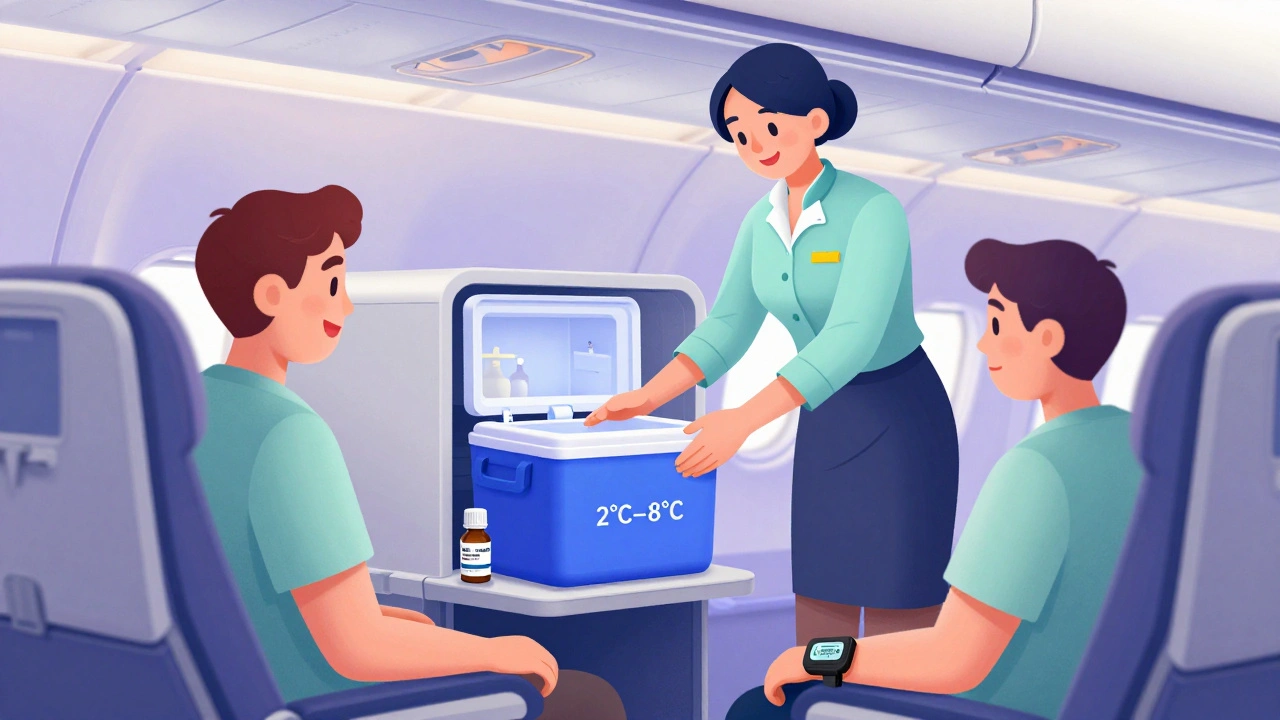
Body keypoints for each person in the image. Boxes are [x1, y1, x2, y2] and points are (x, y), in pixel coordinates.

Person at [192, 185, 624, 719]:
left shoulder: (199, 405)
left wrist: (378, 618)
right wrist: (492, 651)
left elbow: (253, 587)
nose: (345, 305)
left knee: (423, 629)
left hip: (236, 687)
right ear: (270, 295)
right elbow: (357, 650)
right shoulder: (289, 433)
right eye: (331, 281)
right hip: (317, 699)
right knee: (587, 698)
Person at [587, 42, 959, 642]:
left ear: (815, 122)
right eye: (738, 132)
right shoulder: (759, 223)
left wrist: (744, 421)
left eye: (768, 123)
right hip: (822, 414)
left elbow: (853, 335)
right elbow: (729, 324)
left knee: (899, 597)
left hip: (899, 419)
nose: (755, 143)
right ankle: (819, 704)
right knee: (821, 587)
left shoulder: (874, 211)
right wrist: (649, 395)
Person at [727, 238, 1142, 720]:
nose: (984, 343)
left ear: (1048, 338)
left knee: (758, 709)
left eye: (995, 322)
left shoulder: (1037, 467)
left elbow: (955, 661)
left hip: (995, 709)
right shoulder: (1137, 443)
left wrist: (813, 658)